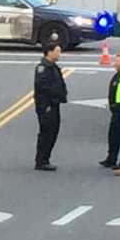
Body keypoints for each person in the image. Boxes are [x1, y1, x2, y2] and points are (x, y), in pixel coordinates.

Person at [34, 42, 68, 171]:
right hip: (47, 106)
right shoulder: (43, 68)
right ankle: (41, 160)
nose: (59, 54)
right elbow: (43, 87)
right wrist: (49, 102)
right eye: (57, 51)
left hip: (54, 104)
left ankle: (45, 158)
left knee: (53, 132)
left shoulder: (53, 67)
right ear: (49, 52)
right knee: (47, 132)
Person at [99, 53, 120, 169]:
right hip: (115, 110)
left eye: (117, 61)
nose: (114, 63)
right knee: (113, 135)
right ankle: (111, 158)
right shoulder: (117, 75)